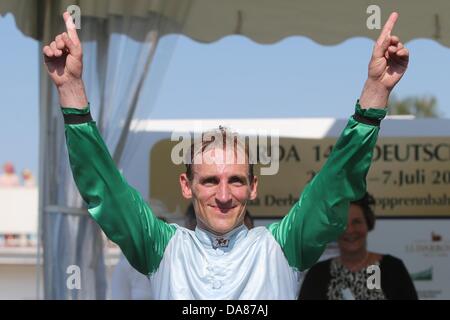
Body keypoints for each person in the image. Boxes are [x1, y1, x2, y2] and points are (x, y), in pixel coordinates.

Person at [43, 12, 409, 299]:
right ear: (187, 186)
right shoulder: (162, 246)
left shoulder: (282, 246)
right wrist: (72, 90)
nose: (222, 195)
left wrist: (374, 92)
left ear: (253, 186)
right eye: (210, 180)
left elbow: (334, 184)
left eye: (235, 179)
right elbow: (106, 190)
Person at [298, 193, 418, 300]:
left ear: (368, 224)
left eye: (356, 222)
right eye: (342, 224)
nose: (350, 230)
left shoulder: (393, 270)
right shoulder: (317, 275)